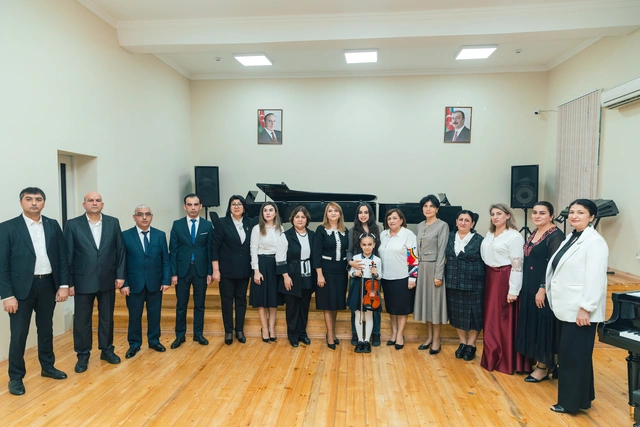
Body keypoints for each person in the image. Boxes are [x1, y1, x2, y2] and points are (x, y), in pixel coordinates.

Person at [0, 187, 70, 396]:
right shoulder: (7, 227)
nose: (33, 203)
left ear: (43, 203)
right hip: (21, 290)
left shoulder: (52, 225)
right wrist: (7, 295)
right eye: (29, 199)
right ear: (21, 202)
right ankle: (16, 377)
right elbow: (2, 264)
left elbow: (62, 257)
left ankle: (47, 367)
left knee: (46, 330)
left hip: (48, 285)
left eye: (38, 199)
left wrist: (63, 285)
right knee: (19, 334)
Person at [546, 199, 608, 414]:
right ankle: (582, 398)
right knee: (576, 355)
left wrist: (586, 308)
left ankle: (569, 403)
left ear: (591, 217)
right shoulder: (572, 237)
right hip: (566, 307)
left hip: (580, 310)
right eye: (572, 212)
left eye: (580, 212)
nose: (574, 216)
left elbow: (595, 277)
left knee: (572, 357)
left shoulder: (595, 242)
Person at [64, 191, 126, 373]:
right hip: (82, 281)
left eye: (97, 200)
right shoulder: (72, 225)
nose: (94, 203)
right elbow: (67, 255)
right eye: (90, 200)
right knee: (82, 321)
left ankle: (107, 350)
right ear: (84, 204)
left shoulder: (113, 223)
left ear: (102, 204)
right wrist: (69, 283)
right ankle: (83, 355)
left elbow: (120, 250)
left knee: (107, 318)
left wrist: (120, 275)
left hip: (108, 279)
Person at [516, 202, 565, 382]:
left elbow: (554, 265)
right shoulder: (535, 232)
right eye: (535, 212)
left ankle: (544, 366)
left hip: (542, 288)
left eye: (542, 213)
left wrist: (542, 288)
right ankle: (546, 364)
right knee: (534, 323)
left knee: (544, 325)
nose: (537, 216)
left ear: (551, 216)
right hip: (529, 285)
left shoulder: (556, 236)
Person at [479, 203, 525, 374]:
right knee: (491, 319)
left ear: (508, 216)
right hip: (490, 277)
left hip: (504, 277)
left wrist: (513, 290)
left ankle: (505, 360)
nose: (495, 217)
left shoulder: (514, 236)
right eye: (493, 214)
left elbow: (517, 265)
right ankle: (491, 355)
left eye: (499, 213)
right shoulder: (489, 234)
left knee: (504, 319)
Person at [120, 205, 171, 359]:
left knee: (154, 314)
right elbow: (121, 262)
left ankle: (154, 341)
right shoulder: (125, 236)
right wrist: (124, 283)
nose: (144, 217)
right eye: (140, 214)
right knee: (134, 316)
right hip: (133, 284)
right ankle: (134, 344)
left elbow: (165, 260)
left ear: (151, 216)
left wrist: (166, 280)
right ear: (134, 217)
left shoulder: (160, 235)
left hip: (155, 282)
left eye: (147, 214)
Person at [169, 193, 213, 349]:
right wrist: (173, 273)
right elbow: (173, 251)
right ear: (184, 207)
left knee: (200, 304)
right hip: (182, 271)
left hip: (201, 270)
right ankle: (179, 336)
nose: (193, 208)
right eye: (189, 204)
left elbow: (210, 250)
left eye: (195, 204)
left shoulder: (207, 225)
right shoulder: (177, 225)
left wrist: (210, 272)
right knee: (181, 305)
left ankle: (198, 334)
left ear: (200, 206)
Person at [211, 195, 253, 345]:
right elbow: (214, 247)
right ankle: (228, 331)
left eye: (239, 204)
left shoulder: (250, 223)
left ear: (244, 207)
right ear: (229, 207)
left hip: (244, 269)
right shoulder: (222, 223)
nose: (236, 206)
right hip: (226, 270)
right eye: (233, 204)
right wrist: (216, 270)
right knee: (227, 300)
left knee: (241, 299)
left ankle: (239, 330)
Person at [445, 210, 485, 361]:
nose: (463, 222)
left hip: (474, 284)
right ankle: (462, 343)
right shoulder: (449, 237)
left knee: (475, 316)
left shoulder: (480, 240)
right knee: (457, 315)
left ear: (472, 224)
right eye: (460, 219)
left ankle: (471, 344)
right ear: (456, 221)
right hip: (453, 283)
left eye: (467, 220)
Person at [378, 208, 418, 351]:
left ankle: (400, 335)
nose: (391, 221)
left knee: (401, 309)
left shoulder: (408, 234)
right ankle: (394, 333)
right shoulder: (383, 234)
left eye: (395, 218)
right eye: (389, 218)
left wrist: (412, 278)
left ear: (401, 220)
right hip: (386, 277)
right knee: (392, 308)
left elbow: (413, 257)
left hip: (402, 277)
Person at [414, 195, 449, 355]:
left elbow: (442, 252)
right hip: (422, 268)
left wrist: (438, 275)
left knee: (435, 305)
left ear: (437, 209)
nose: (428, 209)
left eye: (431, 206)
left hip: (434, 268)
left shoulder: (442, 225)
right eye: (425, 206)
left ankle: (436, 339)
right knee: (426, 304)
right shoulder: (420, 225)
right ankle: (428, 337)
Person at [313, 202, 349, 350]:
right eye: (330, 211)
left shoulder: (345, 230)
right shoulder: (321, 230)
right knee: (328, 304)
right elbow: (316, 254)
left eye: (336, 211)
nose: (333, 213)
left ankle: (333, 332)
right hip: (326, 271)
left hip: (341, 272)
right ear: (326, 214)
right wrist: (319, 274)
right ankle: (329, 334)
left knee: (336, 303)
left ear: (340, 214)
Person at [250, 202, 288, 342]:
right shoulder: (257, 229)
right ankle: (264, 328)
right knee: (262, 299)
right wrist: (256, 270)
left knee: (273, 299)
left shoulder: (280, 228)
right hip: (262, 264)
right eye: (265, 210)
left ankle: (272, 327)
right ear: (262, 213)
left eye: (271, 210)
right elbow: (253, 249)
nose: (268, 212)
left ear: (275, 213)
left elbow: (283, 248)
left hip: (276, 265)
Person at [347, 202, 382, 347]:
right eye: (360, 212)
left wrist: (376, 270)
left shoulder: (377, 229)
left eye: (366, 212)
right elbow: (349, 250)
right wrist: (352, 263)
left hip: (372, 272)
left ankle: (375, 334)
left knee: (374, 305)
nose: (363, 215)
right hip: (358, 268)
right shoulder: (352, 230)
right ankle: (356, 334)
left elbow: (379, 250)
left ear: (370, 214)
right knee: (356, 308)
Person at [282, 206, 315, 347]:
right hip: (292, 274)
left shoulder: (312, 235)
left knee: (304, 305)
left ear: (307, 219)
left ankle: (302, 333)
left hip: (307, 274)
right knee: (292, 307)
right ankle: (293, 335)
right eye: (297, 217)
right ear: (292, 219)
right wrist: (285, 276)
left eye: (303, 217)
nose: (300, 219)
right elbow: (280, 258)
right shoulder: (285, 235)